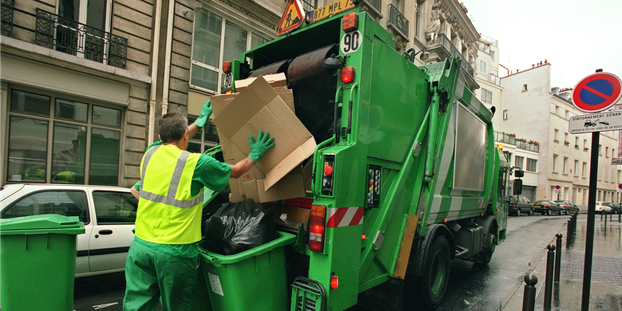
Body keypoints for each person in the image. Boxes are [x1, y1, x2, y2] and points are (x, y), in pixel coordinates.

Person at [123, 100, 274, 311]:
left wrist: (200, 122)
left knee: (135, 307)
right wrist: (255, 153)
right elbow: (238, 170)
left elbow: (172, 139)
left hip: (140, 247)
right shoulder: (197, 163)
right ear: (185, 134)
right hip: (174, 253)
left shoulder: (151, 153)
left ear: (159, 138)